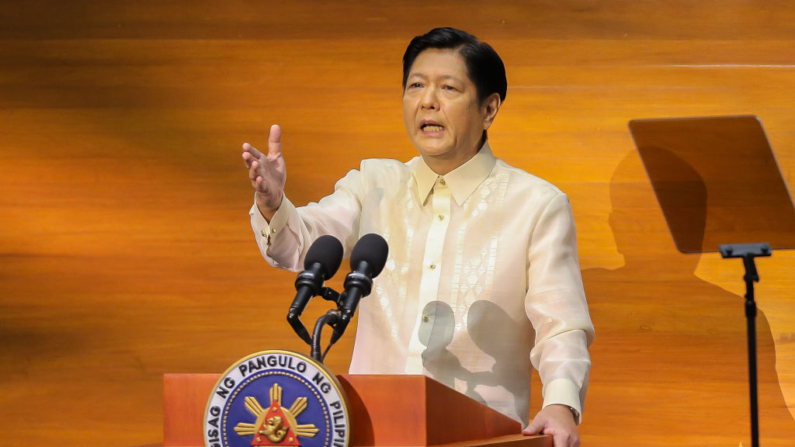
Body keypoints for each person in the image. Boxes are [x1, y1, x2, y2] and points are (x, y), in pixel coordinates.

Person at [241, 28, 594, 447]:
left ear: (489, 109)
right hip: (369, 431)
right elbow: (297, 246)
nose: (428, 100)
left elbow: (562, 326)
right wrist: (273, 202)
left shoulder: (536, 205)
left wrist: (561, 403)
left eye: (448, 87)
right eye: (416, 86)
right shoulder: (373, 184)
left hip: (479, 436)